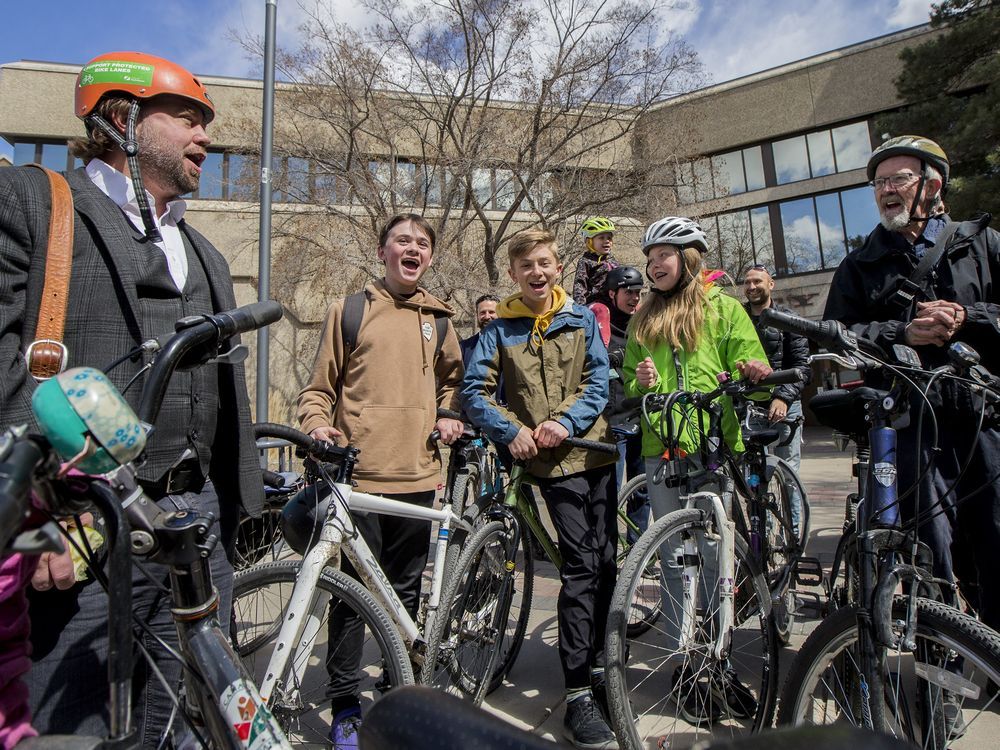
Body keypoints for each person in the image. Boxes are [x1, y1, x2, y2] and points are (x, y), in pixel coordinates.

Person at [0, 52, 262, 744]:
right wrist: (40, 513)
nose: (206, 136)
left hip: (195, 524)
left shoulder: (203, 251)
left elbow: (224, 392)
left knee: (183, 723)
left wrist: (242, 511)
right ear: (122, 118)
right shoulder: (36, 203)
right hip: (84, 531)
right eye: (188, 118)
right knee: (78, 726)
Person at [296, 213, 465, 749]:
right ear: (383, 251)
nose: (412, 249)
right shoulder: (348, 311)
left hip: (418, 475)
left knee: (406, 592)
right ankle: (345, 702)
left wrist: (448, 414)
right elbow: (318, 389)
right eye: (402, 240)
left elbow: (454, 385)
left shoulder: (440, 319)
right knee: (351, 596)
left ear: (430, 257)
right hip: (359, 477)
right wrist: (318, 424)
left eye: (422, 243)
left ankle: (398, 694)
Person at [824, 135, 1000, 636]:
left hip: (985, 419)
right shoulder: (861, 265)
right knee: (928, 551)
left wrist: (971, 316)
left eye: (897, 179)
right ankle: (937, 672)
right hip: (911, 425)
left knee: (994, 539)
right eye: (878, 183)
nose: (885, 191)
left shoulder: (982, 245)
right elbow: (840, 338)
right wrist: (899, 332)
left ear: (932, 184)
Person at [462, 229, 619, 750]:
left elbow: (598, 382)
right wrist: (515, 431)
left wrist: (564, 421)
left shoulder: (580, 319)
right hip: (548, 465)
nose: (537, 272)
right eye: (526, 264)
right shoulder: (499, 328)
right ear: (513, 272)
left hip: (592, 450)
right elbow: (474, 392)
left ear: (556, 267)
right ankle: (577, 693)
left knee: (606, 561)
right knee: (579, 565)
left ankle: (600, 663)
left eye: (545, 263)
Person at [621, 216, 771, 724]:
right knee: (671, 556)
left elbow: (753, 367)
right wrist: (640, 380)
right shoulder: (643, 317)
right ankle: (684, 662)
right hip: (661, 447)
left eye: (664, 253)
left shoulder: (724, 309)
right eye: (650, 256)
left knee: (714, 556)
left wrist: (755, 375)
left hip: (711, 445)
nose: (654, 264)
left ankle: (718, 659)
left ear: (689, 257)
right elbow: (630, 384)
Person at [742, 264, 811, 535]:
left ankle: (792, 539)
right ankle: (762, 545)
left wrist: (782, 398)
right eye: (747, 282)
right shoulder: (738, 318)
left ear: (771, 285)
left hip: (786, 408)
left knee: (788, 479)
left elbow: (803, 368)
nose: (751, 287)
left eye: (757, 281)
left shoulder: (788, 319)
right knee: (755, 482)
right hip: (749, 410)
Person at [588, 266, 647, 544]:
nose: (634, 298)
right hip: (613, 423)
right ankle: (606, 550)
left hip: (644, 419)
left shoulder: (645, 325)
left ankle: (639, 550)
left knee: (643, 491)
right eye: (628, 292)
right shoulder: (597, 326)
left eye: (638, 292)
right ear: (613, 293)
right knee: (608, 493)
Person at [572, 217, 620, 306]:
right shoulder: (586, 261)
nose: (607, 241)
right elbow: (580, 286)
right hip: (596, 303)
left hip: (615, 302)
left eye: (609, 238)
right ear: (589, 241)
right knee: (601, 310)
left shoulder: (612, 260)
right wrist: (580, 309)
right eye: (601, 238)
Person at [459, 293, 500, 364]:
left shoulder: (510, 345)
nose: (487, 316)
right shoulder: (464, 348)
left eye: (491, 312)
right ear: (477, 315)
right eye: (483, 313)